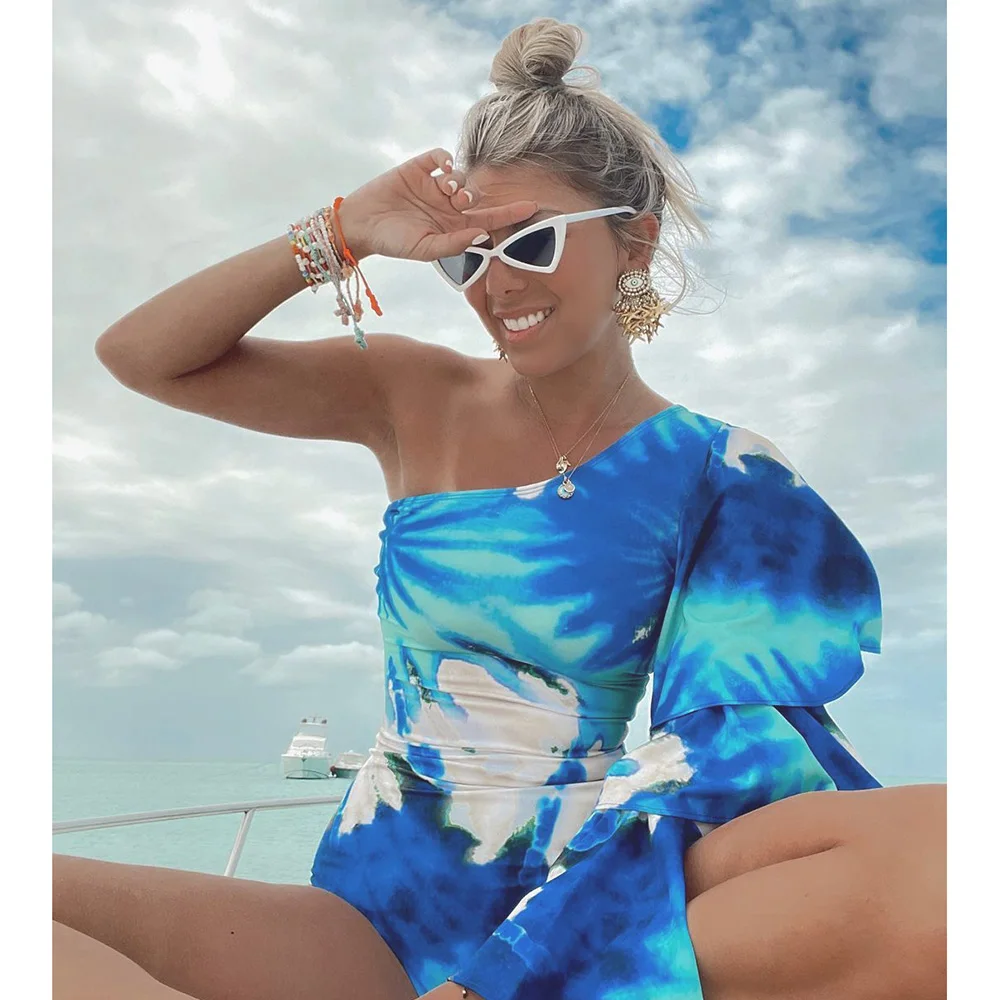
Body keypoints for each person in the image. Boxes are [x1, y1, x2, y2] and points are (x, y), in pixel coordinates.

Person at [53, 17, 945, 1000]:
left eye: (531, 241)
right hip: (378, 907)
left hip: (581, 909)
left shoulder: (721, 473)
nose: (497, 285)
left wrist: (508, 973)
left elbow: (727, 753)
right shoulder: (413, 397)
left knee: (945, 848)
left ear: (634, 239)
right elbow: (144, 356)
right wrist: (342, 231)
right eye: (467, 258)